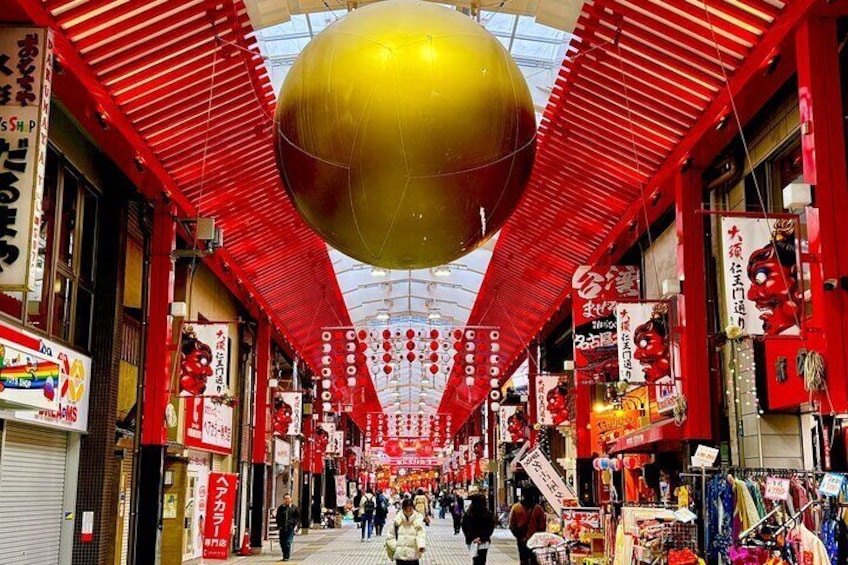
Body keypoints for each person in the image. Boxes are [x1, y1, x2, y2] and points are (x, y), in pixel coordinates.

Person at [509, 488, 546, 565]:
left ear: (522, 495)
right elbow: (542, 526)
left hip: (521, 539)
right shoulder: (538, 509)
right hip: (535, 541)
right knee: (535, 560)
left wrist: (518, 535)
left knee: (523, 560)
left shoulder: (516, 507)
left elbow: (512, 525)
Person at [386, 498, 426, 565]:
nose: (408, 511)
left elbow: (421, 534)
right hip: (400, 555)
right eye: (406, 509)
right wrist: (395, 547)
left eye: (410, 509)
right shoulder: (397, 520)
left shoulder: (418, 519)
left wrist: (421, 545)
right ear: (403, 508)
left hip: (413, 555)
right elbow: (390, 535)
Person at [462, 493, 496, 565]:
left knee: (475, 559)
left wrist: (472, 538)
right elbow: (490, 528)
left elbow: (465, 527)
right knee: (482, 560)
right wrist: (482, 538)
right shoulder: (488, 514)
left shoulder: (468, 514)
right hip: (483, 541)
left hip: (472, 541)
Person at [275, 493, 300, 562]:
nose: (287, 500)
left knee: (288, 542)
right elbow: (278, 517)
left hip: (290, 528)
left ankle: (287, 556)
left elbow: (297, 518)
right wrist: (279, 525)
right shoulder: (281, 508)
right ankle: (284, 554)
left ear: (291, 499)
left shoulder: (294, 508)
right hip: (282, 528)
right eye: (285, 499)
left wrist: (294, 524)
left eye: (288, 498)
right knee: (282, 542)